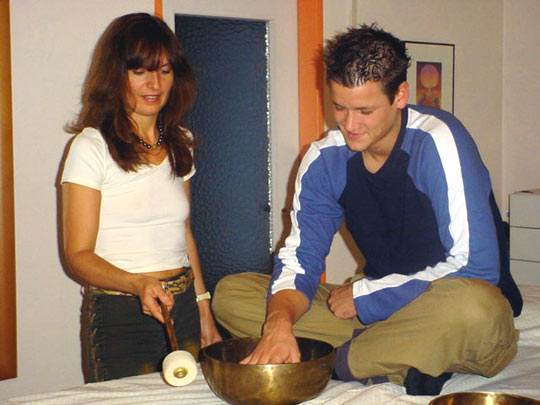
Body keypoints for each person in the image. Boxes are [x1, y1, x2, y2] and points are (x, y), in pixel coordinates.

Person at [212, 24, 523, 396]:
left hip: (449, 310)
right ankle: (403, 359)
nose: (349, 124)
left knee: (476, 307)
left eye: (365, 110)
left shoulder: (437, 140)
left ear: (400, 95)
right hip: (384, 315)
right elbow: (300, 260)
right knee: (232, 295)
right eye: (339, 107)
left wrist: (366, 296)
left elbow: (477, 267)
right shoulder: (325, 159)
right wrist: (278, 324)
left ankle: (336, 363)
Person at [61, 13, 222, 382]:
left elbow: (184, 233)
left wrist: (203, 308)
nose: (155, 84)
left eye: (165, 71)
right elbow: (78, 255)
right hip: (122, 314)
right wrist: (138, 284)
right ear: (116, 75)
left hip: (182, 304)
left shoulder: (181, 141)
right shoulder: (91, 146)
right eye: (140, 72)